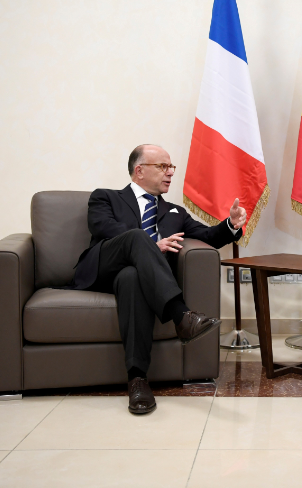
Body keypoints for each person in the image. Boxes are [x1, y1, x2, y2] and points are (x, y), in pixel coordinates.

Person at [71, 144, 246, 415]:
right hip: (104, 266)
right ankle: (181, 315)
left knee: (132, 278)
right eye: (163, 167)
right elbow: (104, 228)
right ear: (139, 171)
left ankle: (138, 380)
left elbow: (207, 235)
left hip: (136, 278)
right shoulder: (106, 197)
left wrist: (231, 225)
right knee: (138, 236)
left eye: (171, 167)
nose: (170, 173)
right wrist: (153, 243)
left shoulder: (175, 212)